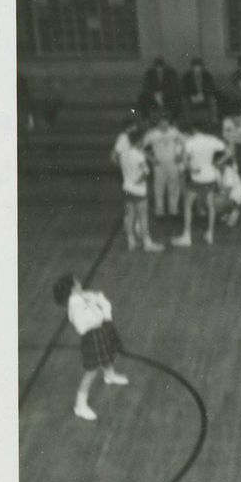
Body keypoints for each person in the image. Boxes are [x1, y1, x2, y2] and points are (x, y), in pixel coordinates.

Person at [53, 274, 129, 422]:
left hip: (99, 329)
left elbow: (94, 297)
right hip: (92, 335)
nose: (79, 282)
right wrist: (101, 316)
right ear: (72, 289)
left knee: (108, 353)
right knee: (91, 370)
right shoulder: (75, 305)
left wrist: (97, 300)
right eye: (76, 282)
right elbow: (81, 327)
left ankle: (110, 375)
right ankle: (80, 406)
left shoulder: (80, 296)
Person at [172, 121, 227, 247]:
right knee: (210, 205)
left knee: (187, 205)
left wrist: (191, 169)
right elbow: (229, 152)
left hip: (197, 177)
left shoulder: (190, 142)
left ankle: (187, 236)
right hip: (210, 176)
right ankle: (210, 233)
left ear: (194, 130)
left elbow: (184, 160)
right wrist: (217, 163)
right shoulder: (212, 140)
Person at [112, 126, 165, 253]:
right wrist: (139, 180)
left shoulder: (124, 154)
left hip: (127, 187)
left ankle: (131, 241)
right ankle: (148, 243)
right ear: (139, 141)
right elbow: (146, 172)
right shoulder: (139, 156)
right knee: (143, 217)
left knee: (130, 215)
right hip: (139, 190)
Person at [142, 112, 185, 218]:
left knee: (174, 186)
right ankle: (159, 210)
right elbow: (141, 147)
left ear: (169, 123)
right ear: (158, 123)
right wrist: (151, 159)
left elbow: (186, 143)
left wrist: (181, 155)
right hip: (159, 164)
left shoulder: (174, 132)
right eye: (162, 123)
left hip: (173, 163)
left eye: (166, 123)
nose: (164, 125)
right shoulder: (151, 134)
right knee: (159, 187)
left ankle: (173, 209)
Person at [212, 151, 241, 228]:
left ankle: (234, 211)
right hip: (226, 195)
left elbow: (227, 192)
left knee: (214, 201)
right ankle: (228, 213)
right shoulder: (217, 171)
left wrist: (215, 195)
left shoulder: (229, 172)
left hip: (235, 198)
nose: (216, 164)